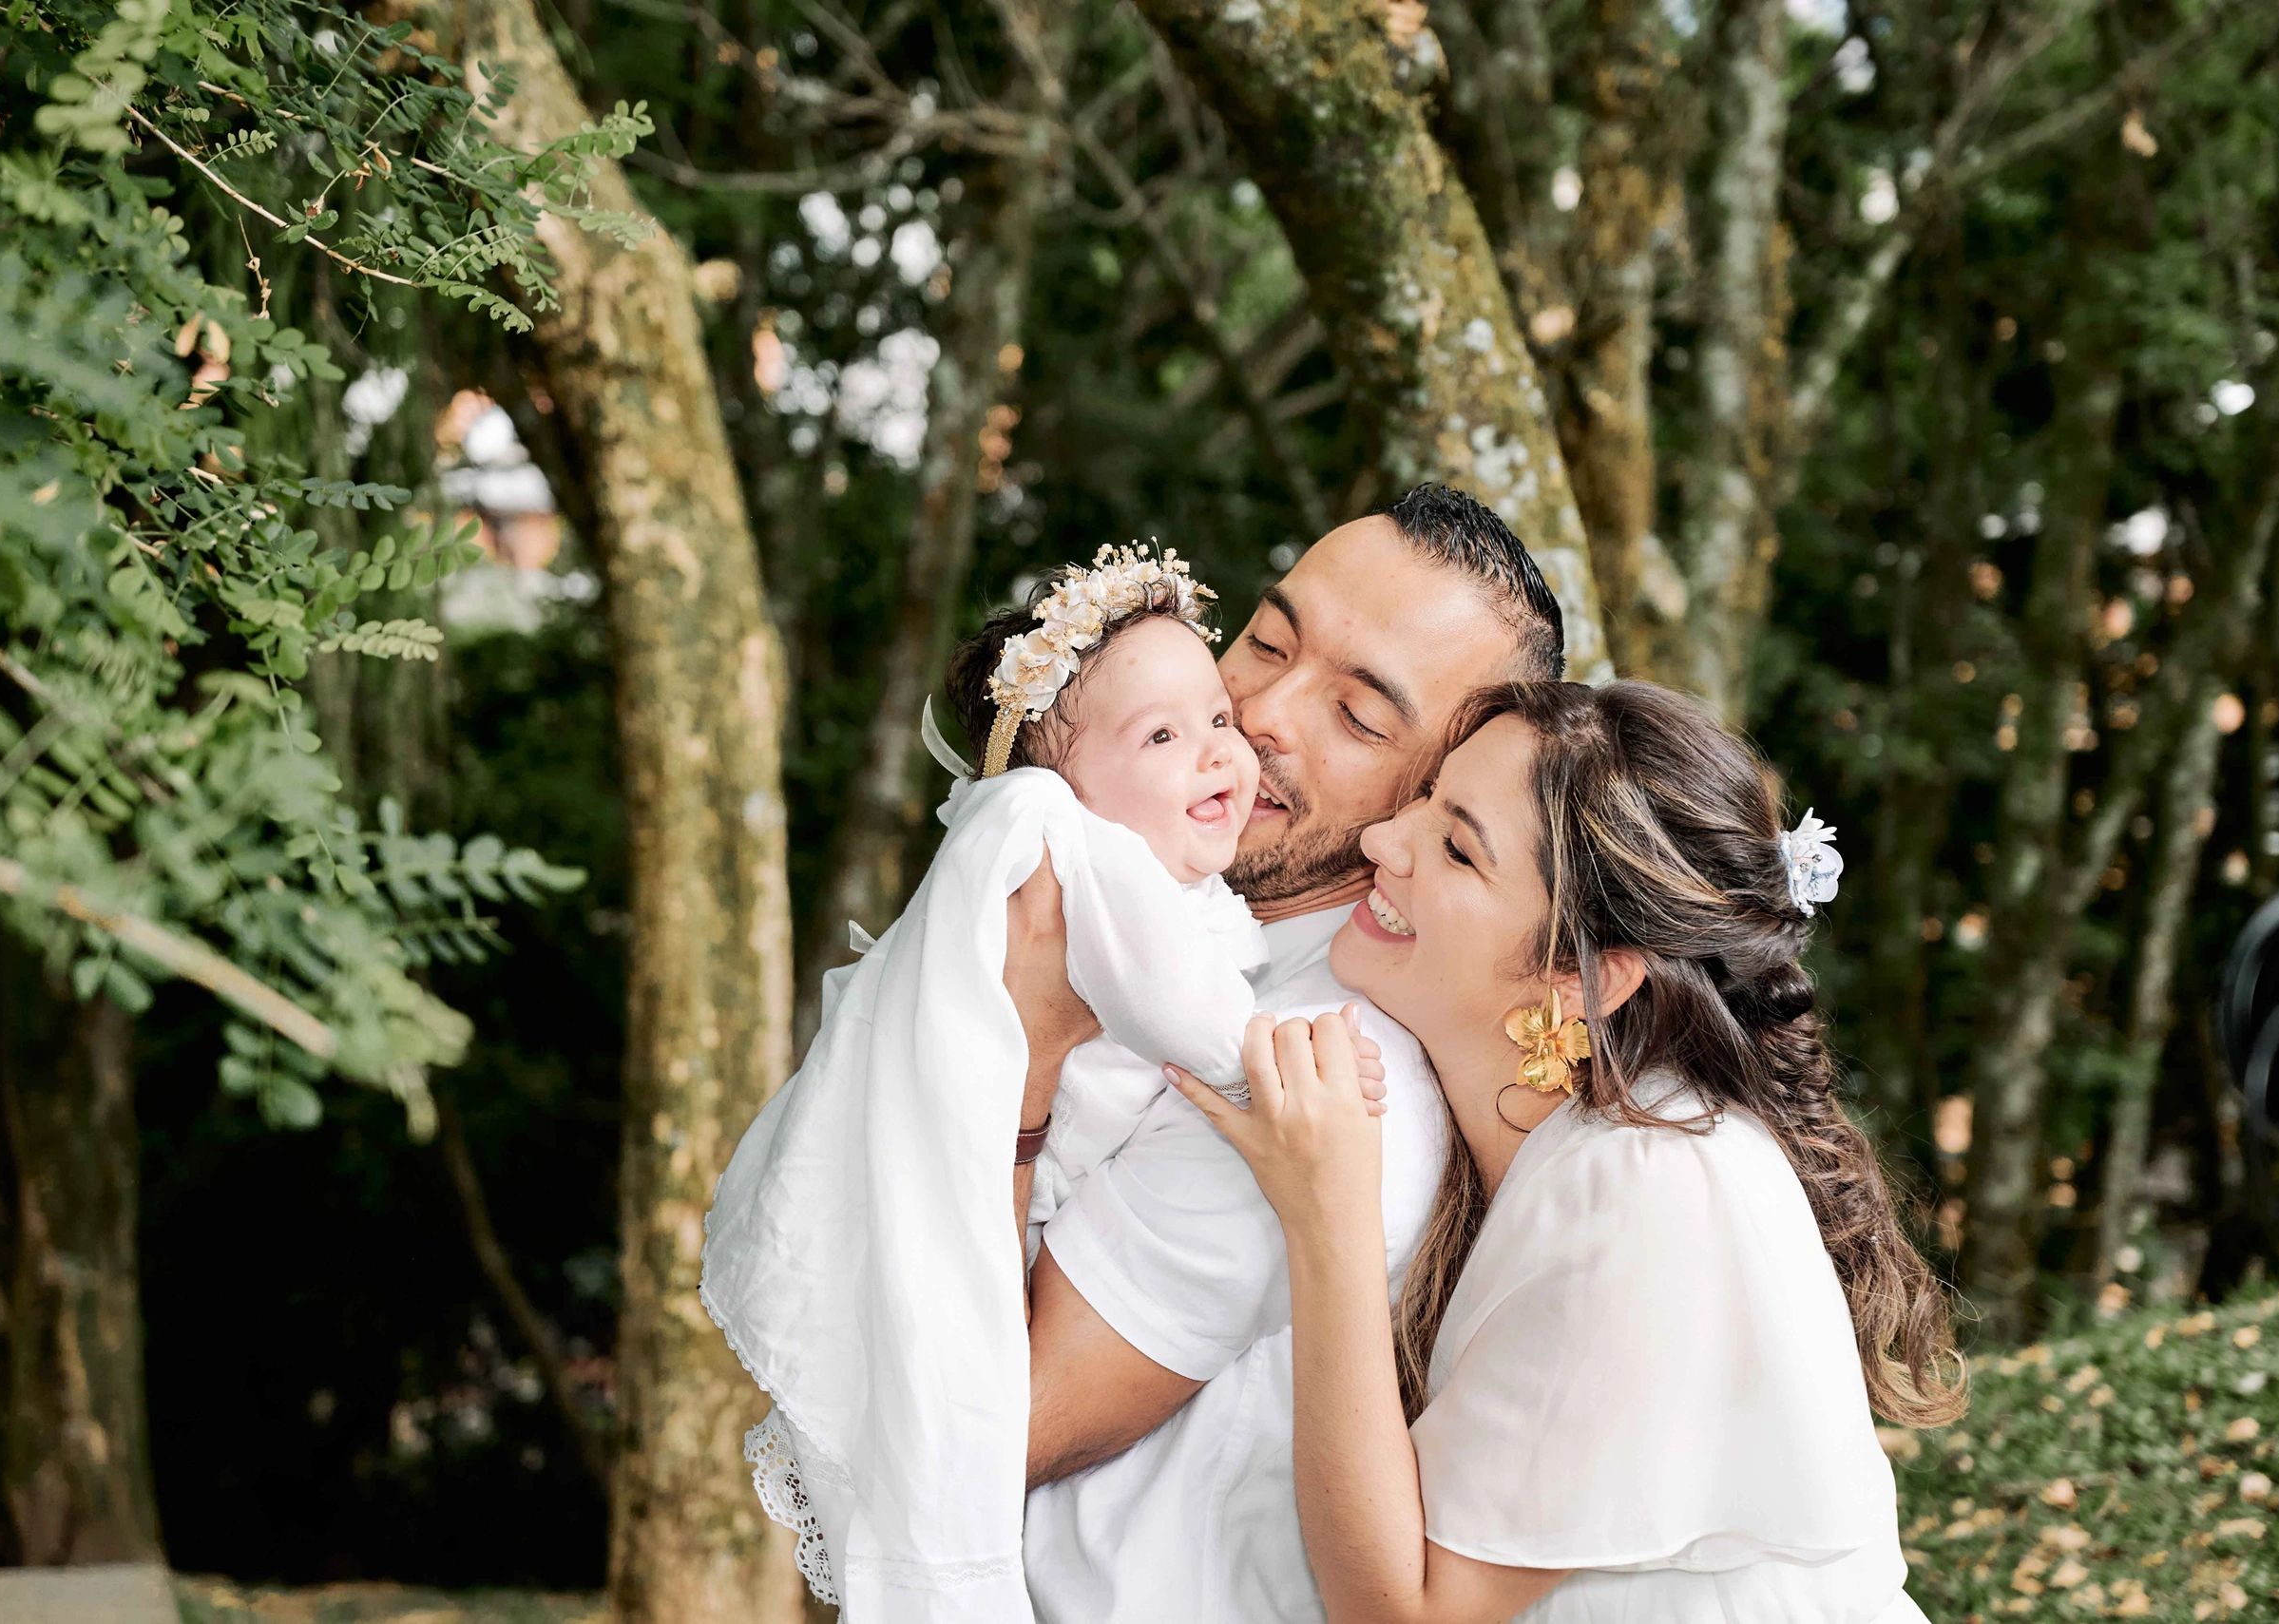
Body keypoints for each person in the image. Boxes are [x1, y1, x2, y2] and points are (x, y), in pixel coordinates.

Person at [1171, 679, 1964, 1623]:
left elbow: (1403, 1615)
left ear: (1584, 976)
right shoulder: (1587, 1147)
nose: (1384, 839)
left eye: (1458, 846)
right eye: (1424, 799)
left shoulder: (1645, 1190)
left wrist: (1326, 1215)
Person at [701, 545, 1313, 1619]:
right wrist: (1270, 1061)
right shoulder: (1060, 848)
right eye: (1162, 737)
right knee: (948, 1409)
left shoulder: (1168, 872)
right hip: (978, 1186)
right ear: (1056, 785)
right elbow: (1186, 1012)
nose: (1220, 753)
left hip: (1044, 1203)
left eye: (1217, 716)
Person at [1006, 487, 1569, 1620]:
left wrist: (1023, 1045)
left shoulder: (1321, 1069)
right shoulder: (1152, 908)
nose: (1258, 709)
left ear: (1437, 792)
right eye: (1266, 639)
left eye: (1359, 717)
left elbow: (994, 1423)